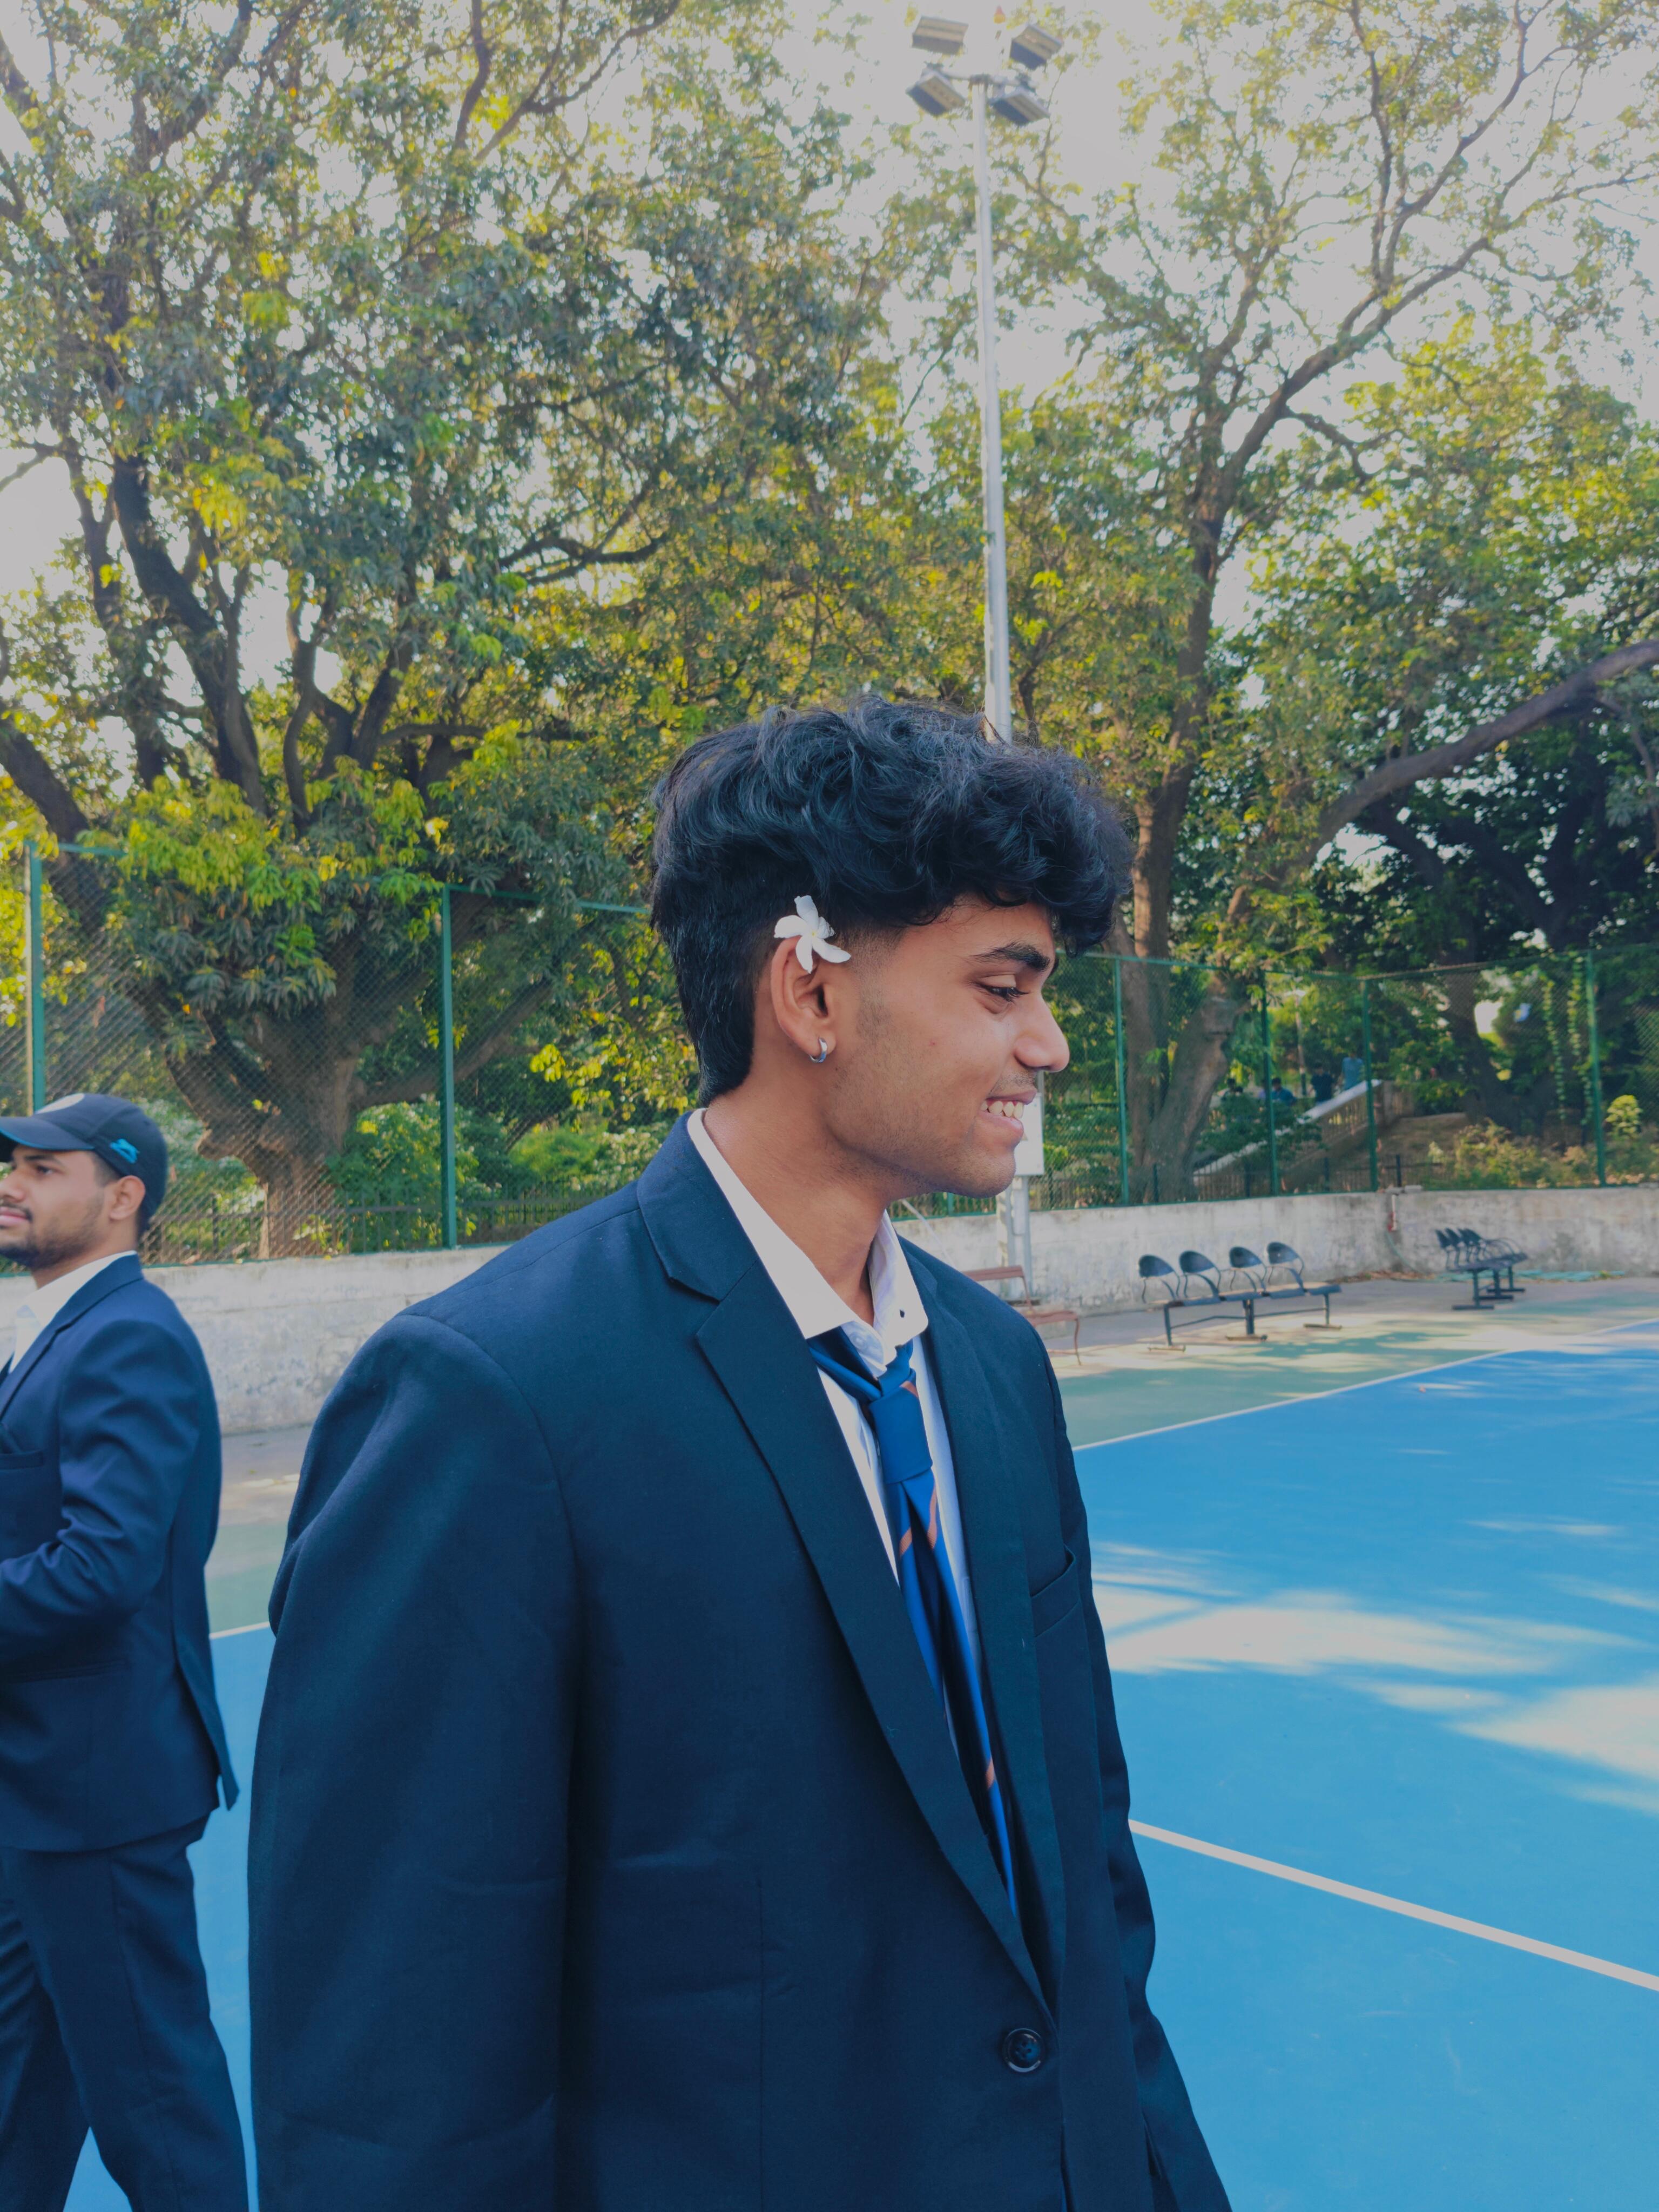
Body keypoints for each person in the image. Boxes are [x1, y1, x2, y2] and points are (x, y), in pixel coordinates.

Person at [249, 699, 1231, 2212]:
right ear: (810, 989)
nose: (1046, 1044)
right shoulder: (491, 1401)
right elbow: (397, 2064)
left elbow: (1082, 1871)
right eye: (1002, 986)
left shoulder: (993, 1366)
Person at [0, 1092, 246, 2211]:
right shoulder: (63, 1331)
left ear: (123, 1196)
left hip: (95, 1792)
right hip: (39, 1788)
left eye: (44, 1168)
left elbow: (101, 1565)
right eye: (15, 1163)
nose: (13, 1183)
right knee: (19, 2089)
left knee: (155, 2102)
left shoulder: (128, 1337)